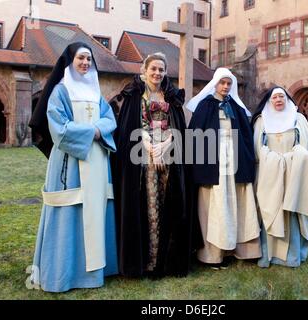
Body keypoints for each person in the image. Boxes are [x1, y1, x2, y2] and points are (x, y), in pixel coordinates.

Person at [28, 42, 118, 292]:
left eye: (89, 59)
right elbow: (59, 129)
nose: (85, 63)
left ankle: (98, 270)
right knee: (71, 209)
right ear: (69, 61)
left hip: (98, 162)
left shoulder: (95, 93)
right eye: (81, 58)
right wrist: (94, 131)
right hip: (70, 163)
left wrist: (99, 129)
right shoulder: (60, 92)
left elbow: (109, 119)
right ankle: (65, 272)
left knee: (97, 210)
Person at [111, 52, 195, 278]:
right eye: (153, 69)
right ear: (144, 70)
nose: (157, 73)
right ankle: (148, 261)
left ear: (166, 72)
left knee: (169, 202)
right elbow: (133, 126)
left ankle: (167, 262)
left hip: (169, 155)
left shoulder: (172, 96)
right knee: (148, 206)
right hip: (143, 158)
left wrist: (166, 145)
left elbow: (179, 127)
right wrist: (150, 148)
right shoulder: (134, 95)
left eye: (161, 69)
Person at [186, 68, 261, 270]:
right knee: (214, 206)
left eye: (229, 83)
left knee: (236, 203)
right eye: (222, 83)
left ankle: (239, 250)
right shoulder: (205, 106)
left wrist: (246, 159)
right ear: (215, 84)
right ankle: (212, 254)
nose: (226, 86)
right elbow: (195, 135)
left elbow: (246, 137)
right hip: (213, 163)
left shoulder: (236, 108)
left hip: (235, 163)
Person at [252, 86, 308, 268]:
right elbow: (257, 148)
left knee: (290, 210)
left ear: (287, 99)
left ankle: (291, 256)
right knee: (270, 209)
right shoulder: (262, 121)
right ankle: (268, 254)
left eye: (281, 96)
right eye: (274, 98)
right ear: (269, 101)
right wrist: (273, 160)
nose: (278, 100)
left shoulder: (298, 119)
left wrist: (292, 158)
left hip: (293, 172)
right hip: (269, 174)